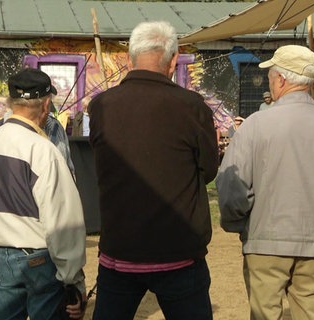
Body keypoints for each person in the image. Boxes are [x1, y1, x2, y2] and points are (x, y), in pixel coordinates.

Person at [89, 21, 219, 319]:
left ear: (130, 59)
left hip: (119, 251)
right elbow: (209, 170)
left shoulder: (100, 106)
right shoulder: (192, 106)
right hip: (178, 252)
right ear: (173, 60)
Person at [216, 45, 314, 320]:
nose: (269, 82)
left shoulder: (255, 125)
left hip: (265, 243)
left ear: (280, 80)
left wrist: (240, 225)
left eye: (270, 76)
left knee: (265, 314)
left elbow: (232, 187)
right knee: (309, 313)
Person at [0, 68, 87, 320]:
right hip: (39, 258)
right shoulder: (43, 150)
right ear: (46, 104)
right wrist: (73, 279)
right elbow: (63, 222)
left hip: (4, 255)